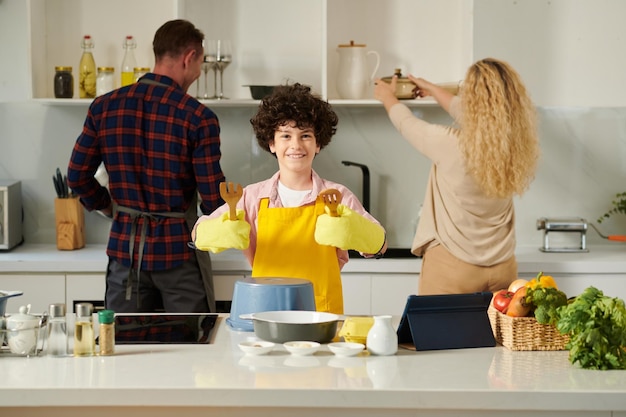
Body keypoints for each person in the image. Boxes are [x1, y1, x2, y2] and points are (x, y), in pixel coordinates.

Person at [67, 19, 225, 313]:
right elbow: (215, 200)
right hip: (180, 256)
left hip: (124, 255)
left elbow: (76, 176)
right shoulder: (198, 117)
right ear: (189, 57)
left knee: (125, 350)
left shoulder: (104, 107)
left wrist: (109, 207)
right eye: (200, 63)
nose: (199, 72)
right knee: (190, 350)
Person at [192, 83, 387, 314]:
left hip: (320, 312)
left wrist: (353, 229)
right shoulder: (252, 197)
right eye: (286, 135)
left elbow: (381, 245)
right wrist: (221, 231)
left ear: (318, 144)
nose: (296, 145)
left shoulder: (337, 196)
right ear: (272, 143)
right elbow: (197, 235)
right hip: (266, 311)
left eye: (305, 135)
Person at [373, 57, 540, 295]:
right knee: (495, 334)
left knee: (437, 333)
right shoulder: (512, 145)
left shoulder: (450, 144)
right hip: (503, 267)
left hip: (452, 266)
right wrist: (432, 89)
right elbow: (478, 116)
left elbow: (406, 123)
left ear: (472, 100)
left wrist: (387, 96)